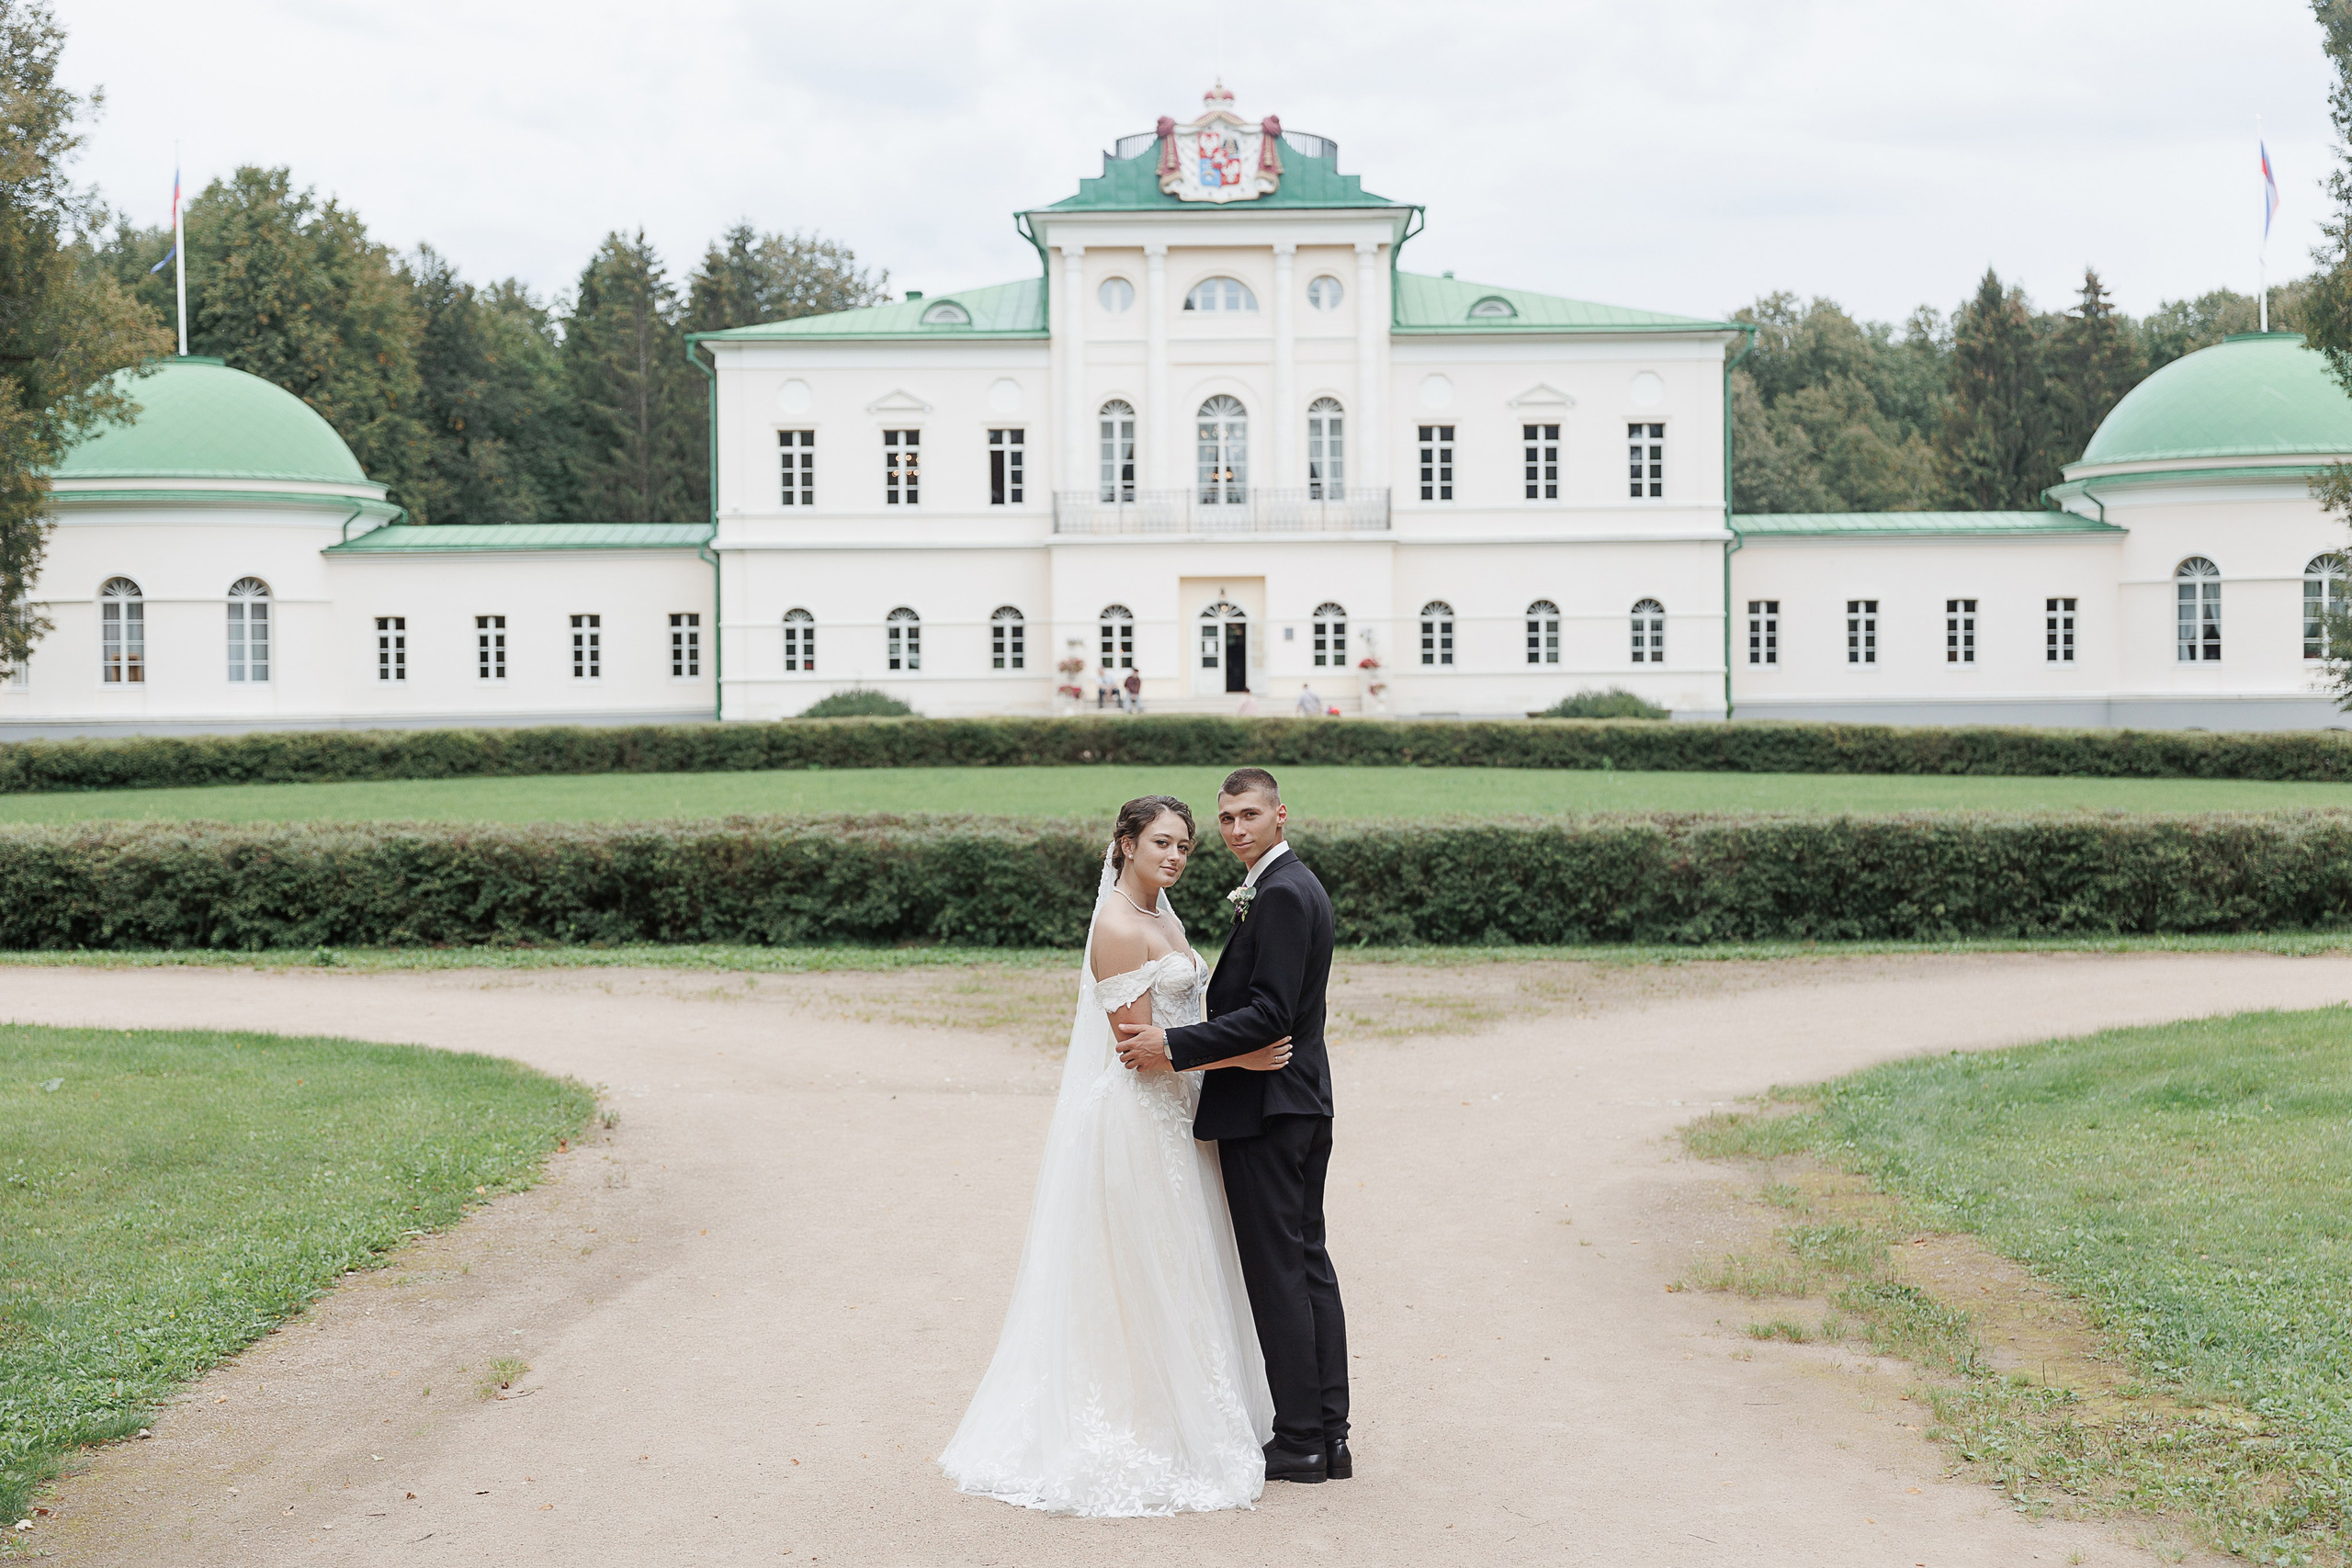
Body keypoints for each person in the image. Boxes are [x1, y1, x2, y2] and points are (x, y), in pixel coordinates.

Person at [940, 795, 1295, 1516]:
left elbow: (1182, 1020)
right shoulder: (1117, 926)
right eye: (1161, 842)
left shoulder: (1165, 915)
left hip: (1180, 1118)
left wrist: (1219, 1052)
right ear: (1126, 844)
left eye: (1185, 847)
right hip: (1139, 1122)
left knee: (1185, 1262)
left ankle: (1193, 1406)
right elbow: (1139, 1051)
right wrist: (1241, 1058)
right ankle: (1144, 1422)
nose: (1175, 856)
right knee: (1143, 1269)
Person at [1115, 767, 1349, 1487]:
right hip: (1299, 1102)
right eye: (1227, 819)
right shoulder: (1290, 885)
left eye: (1249, 815)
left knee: (1281, 1273)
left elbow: (1271, 1014)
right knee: (1307, 1264)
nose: (1237, 829)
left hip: (1268, 1108)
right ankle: (1328, 1437)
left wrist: (1174, 1046)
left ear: (1281, 814)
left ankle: (1303, 1439)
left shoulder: (1279, 893)